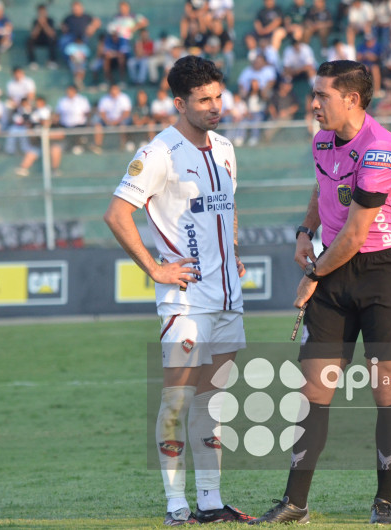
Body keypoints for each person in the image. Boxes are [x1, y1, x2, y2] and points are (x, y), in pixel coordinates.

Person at [250, 60, 391, 525]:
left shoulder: (380, 148)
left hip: (382, 272)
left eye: (322, 95)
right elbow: (324, 188)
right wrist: (306, 229)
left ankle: (384, 503)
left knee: (386, 390)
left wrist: (313, 274)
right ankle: (295, 504)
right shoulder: (322, 140)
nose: (314, 103)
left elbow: (358, 233)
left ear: (352, 100)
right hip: (334, 269)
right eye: (314, 93)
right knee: (314, 389)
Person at [103, 55, 253, 527]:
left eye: (218, 97)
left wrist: (232, 249)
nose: (214, 107)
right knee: (176, 401)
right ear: (179, 103)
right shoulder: (159, 154)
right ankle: (176, 507)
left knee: (212, 404)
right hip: (187, 300)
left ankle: (210, 502)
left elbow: (226, 207)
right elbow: (116, 214)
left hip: (229, 299)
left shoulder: (227, 147)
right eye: (204, 100)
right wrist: (155, 269)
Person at [26, 3, 59, 69]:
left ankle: (52, 61)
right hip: (38, 39)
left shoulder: (50, 20)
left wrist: (44, 24)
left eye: (43, 12)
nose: (42, 13)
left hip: (47, 39)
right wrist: (39, 25)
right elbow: (33, 35)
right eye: (40, 12)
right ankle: (33, 62)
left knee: (52, 39)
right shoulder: (35, 21)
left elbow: (51, 33)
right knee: (29, 41)